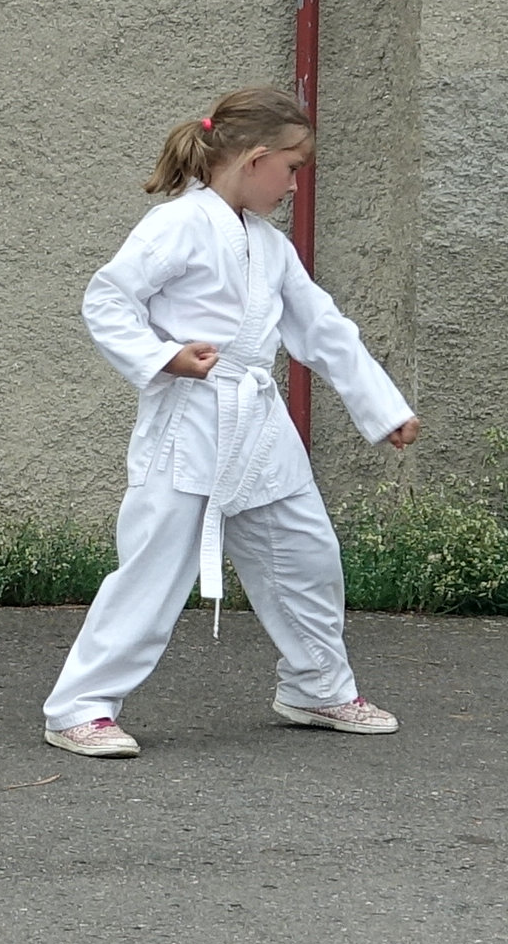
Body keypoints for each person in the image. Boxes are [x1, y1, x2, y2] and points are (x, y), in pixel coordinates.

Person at [40, 85, 417, 758]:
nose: (295, 186)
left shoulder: (269, 246)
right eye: (292, 169)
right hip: (189, 418)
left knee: (306, 555)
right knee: (155, 567)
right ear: (255, 158)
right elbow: (108, 300)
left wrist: (380, 406)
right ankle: (80, 706)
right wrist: (165, 357)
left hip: (259, 422)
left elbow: (322, 327)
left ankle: (317, 684)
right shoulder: (177, 225)